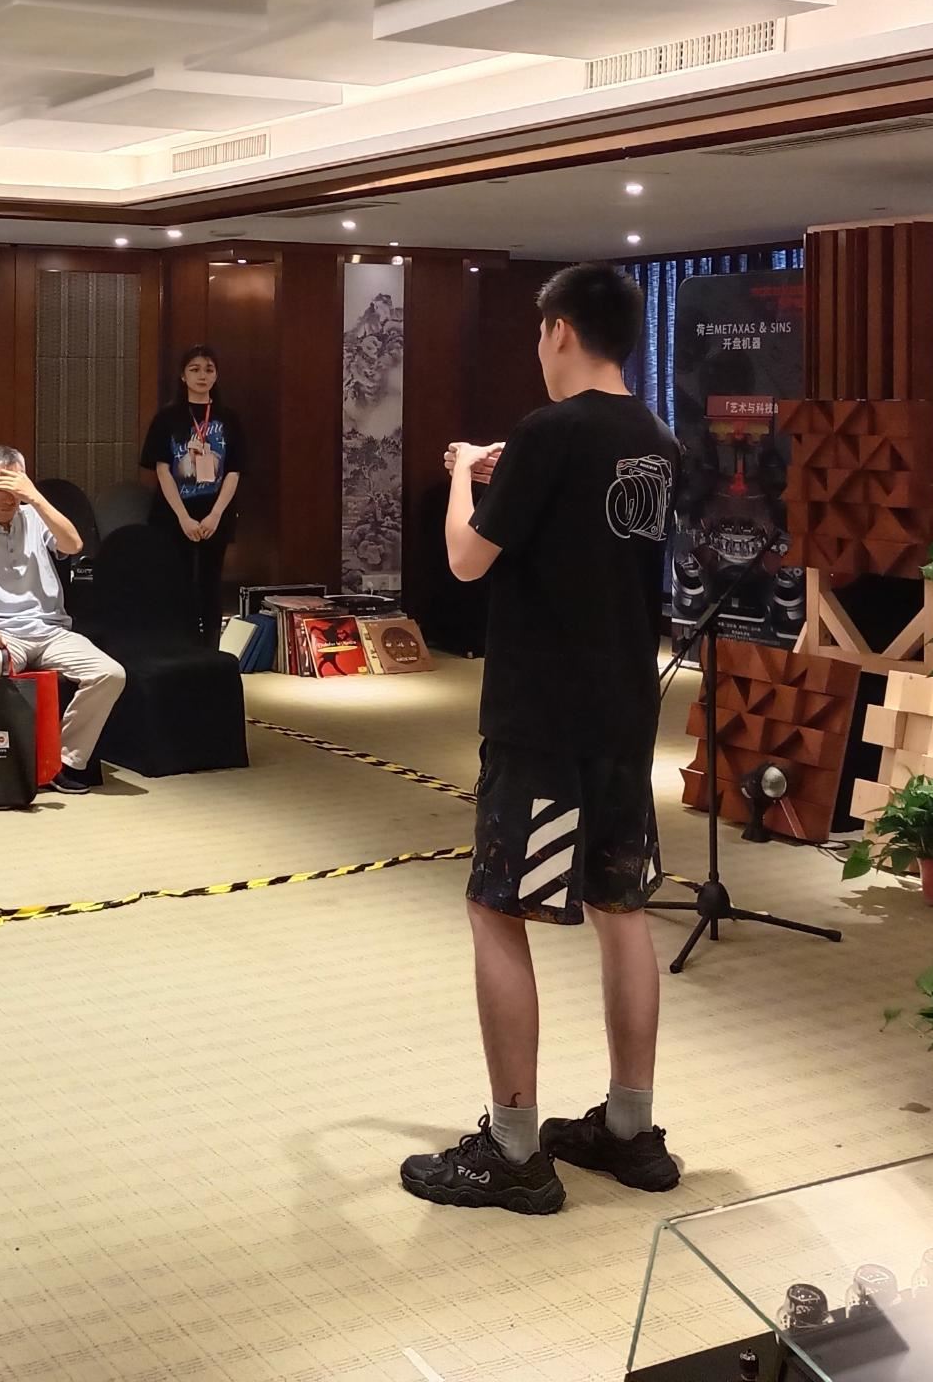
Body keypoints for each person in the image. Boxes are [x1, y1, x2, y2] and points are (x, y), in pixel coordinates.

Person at [398, 263, 682, 1216]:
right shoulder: (657, 440)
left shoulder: (547, 431)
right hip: (625, 712)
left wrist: (458, 478)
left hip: (541, 719)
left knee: (498, 909)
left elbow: (465, 558)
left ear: (559, 329)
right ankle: (631, 1129)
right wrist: (503, 470)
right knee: (621, 908)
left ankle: (514, 1147)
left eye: (538, 331)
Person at [0, 446, 123, 794]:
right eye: (1, 487)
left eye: (17, 486)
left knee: (110, 673)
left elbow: (73, 544)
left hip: (50, 630)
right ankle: (1, 768)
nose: (10, 497)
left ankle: (62, 762)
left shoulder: (35, 518)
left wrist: (36, 498)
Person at [138, 343, 244, 640]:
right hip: (174, 513)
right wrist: (183, 517)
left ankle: (211, 647)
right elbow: (162, 469)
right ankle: (179, 644)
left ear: (216, 375)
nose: (202, 375)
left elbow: (234, 470)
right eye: (194, 369)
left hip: (215, 512)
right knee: (177, 580)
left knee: (211, 581)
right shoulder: (167, 417)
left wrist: (216, 515)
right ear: (183, 376)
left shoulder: (229, 418)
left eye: (209, 369)